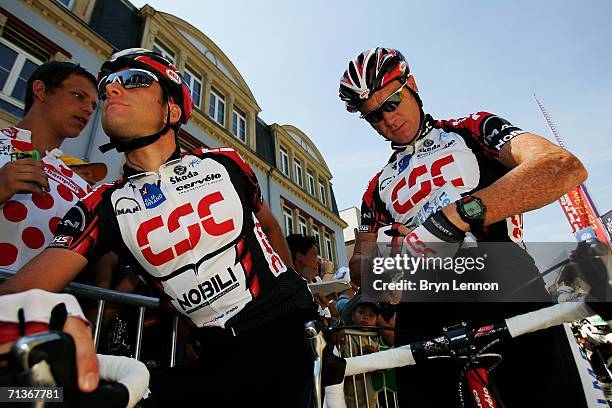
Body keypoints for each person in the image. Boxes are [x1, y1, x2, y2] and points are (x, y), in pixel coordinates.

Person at [0, 48, 317, 407]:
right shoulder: (101, 205)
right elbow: (18, 292)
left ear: (173, 110)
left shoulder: (224, 163)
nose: (111, 92)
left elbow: (271, 228)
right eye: (107, 88)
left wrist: (299, 297)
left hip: (285, 330)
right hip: (215, 352)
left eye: (133, 81)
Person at [339, 48, 589, 407]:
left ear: (412, 85)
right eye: (373, 116)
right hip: (425, 305)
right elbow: (364, 271)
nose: (387, 119)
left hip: (504, 281)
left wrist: (457, 216)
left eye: (392, 102)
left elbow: (561, 166)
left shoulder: (470, 128)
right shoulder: (375, 188)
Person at [0, 61, 97, 271]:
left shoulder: (83, 189)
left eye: (94, 105)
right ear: (40, 90)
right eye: (79, 96)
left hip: (36, 303)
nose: (89, 109)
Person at [341, 297, 382, 408]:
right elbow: (342, 373)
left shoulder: (376, 341)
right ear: (352, 316)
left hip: (371, 402)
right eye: (361, 312)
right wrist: (368, 366)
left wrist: (377, 362)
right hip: (350, 401)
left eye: (371, 315)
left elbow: (381, 371)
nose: (366, 317)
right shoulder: (346, 338)